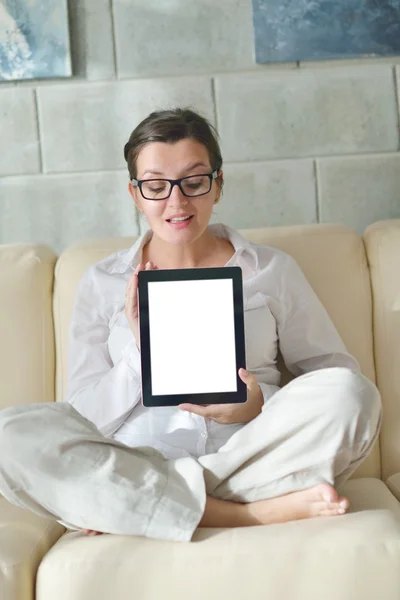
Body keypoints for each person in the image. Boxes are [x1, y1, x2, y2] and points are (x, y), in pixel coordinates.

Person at [0, 108, 381, 542]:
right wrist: (140, 353)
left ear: (218, 185)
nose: (176, 203)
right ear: (135, 194)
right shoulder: (102, 282)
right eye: (157, 187)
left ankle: (139, 506)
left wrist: (258, 405)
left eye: (194, 182)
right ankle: (246, 514)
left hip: (246, 456)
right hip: (141, 458)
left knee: (355, 395)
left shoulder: (271, 270)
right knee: (9, 435)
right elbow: (84, 419)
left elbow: (334, 378)